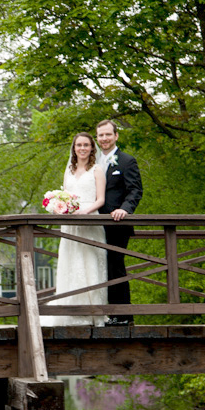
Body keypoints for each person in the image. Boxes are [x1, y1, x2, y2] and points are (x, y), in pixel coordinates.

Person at [41, 132, 108, 327]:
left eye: (86, 145)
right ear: (74, 148)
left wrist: (85, 212)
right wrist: (59, 207)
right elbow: (64, 195)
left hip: (90, 221)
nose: (82, 148)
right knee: (71, 263)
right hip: (70, 223)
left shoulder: (97, 170)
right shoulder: (68, 170)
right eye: (79, 145)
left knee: (89, 263)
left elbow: (101, 200)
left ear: (91, 148)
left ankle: (92, 313)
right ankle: (69, 312)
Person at [96, 119, 143, 325]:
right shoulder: (92, 161)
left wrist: (124, 209)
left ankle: (122, 315)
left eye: (108, 134)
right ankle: (100, 313)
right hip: (93, 224)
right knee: (97, 267)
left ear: (116, 136)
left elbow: (135, 190)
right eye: (100, 135)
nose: (104, 139)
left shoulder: (126, 161)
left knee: (116, 266)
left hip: (116, 224)